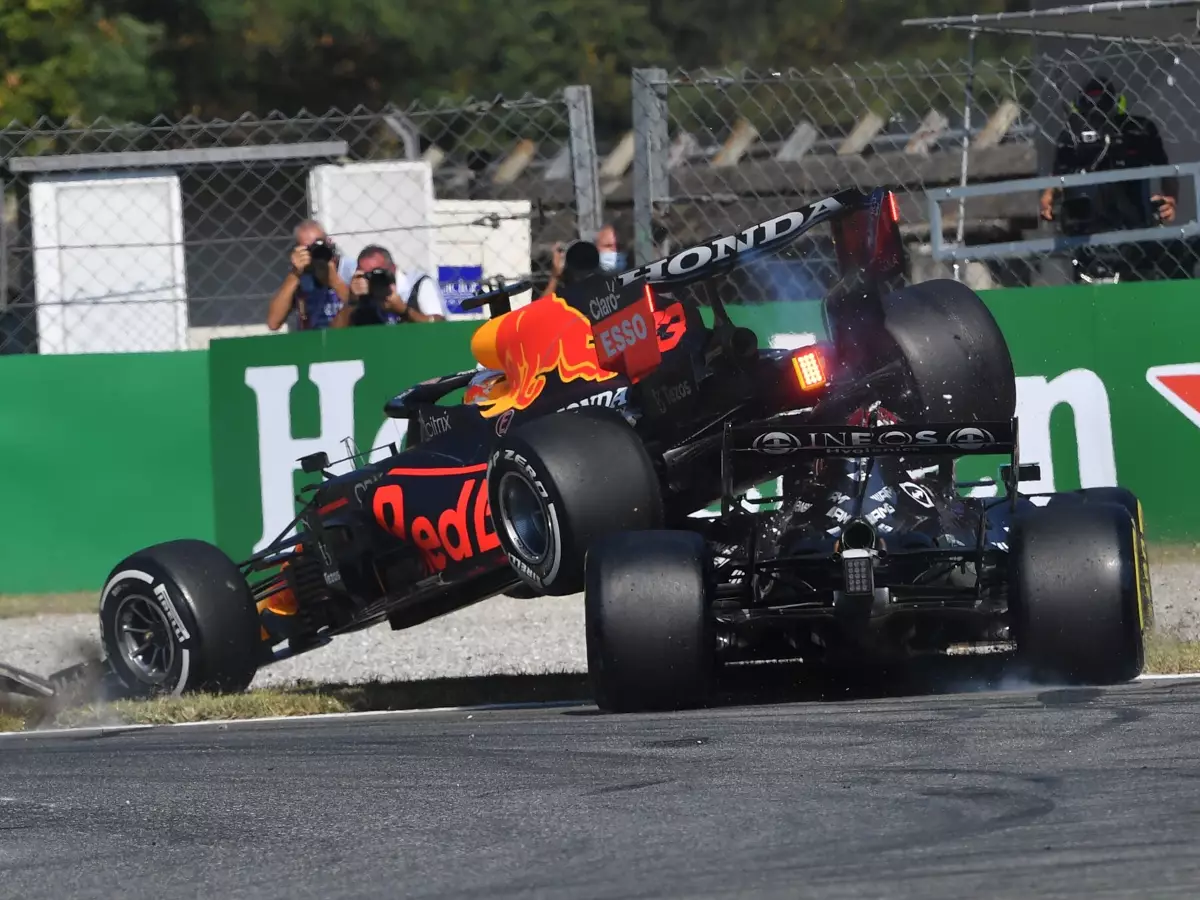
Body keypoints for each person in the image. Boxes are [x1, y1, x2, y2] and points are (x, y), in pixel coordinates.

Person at [1039, 77, 1178, 282]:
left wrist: (1171, 199)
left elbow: (1167, 170)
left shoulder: (1139, 130)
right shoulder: (1070, 137)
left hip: (1134, 225)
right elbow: (1059, 175)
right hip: (1086, 232)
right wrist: (1048, 196)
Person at [266, 219, 355, 330]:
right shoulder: (301, 275)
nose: (316, 253)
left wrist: (335, 282)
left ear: (329, 242)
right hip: (312, 341)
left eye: (319, 245)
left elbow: (362, 313)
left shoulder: (350, 269)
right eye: (309, 249)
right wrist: (295, 274)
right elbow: (273, 323)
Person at [331, 244, 446, 327]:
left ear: (393, 268)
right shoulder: (361, 296)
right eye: (367, 276)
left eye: (378, 273)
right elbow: (333, 336)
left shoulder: (416, 284)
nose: (373, 280)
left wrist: (404, 311)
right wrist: (352, 302)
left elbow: (440, 324)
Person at [541, 223, 626, 298]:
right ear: (594, 249)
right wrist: (555, 276)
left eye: (619, 246)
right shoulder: (578, 289)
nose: (615, 251)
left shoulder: (632, 282)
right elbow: (541, 312)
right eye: (608, 246)